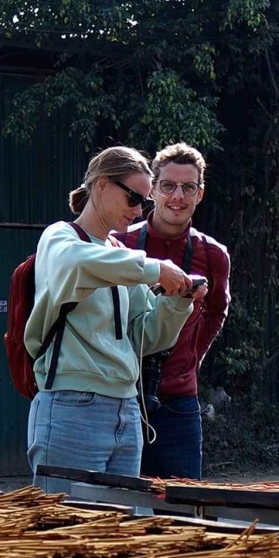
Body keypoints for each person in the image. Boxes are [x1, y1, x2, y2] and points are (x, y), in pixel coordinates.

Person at [24, 145, 204, 481]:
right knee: (68, 514)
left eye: (144, 202)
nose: (138, 212)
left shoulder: (119, 253)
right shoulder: (61, 237)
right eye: (133, 198)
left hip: (127, 407)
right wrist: (154, 269)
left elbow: (147, 336)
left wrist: (179, 301)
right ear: (102, 185)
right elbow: (77, 262)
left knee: (121, 516)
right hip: (71, 404)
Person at [114, 142, 231, 478]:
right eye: (168, 186)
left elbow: (216, 311)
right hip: (120, 398)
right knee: (115, 503)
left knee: (183, 504)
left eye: (188, 187)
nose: (177, 196)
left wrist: (190, 359)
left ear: (200, 193)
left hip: (179, 403)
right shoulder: (118, 243)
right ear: (151, 190)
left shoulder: (213, 254)